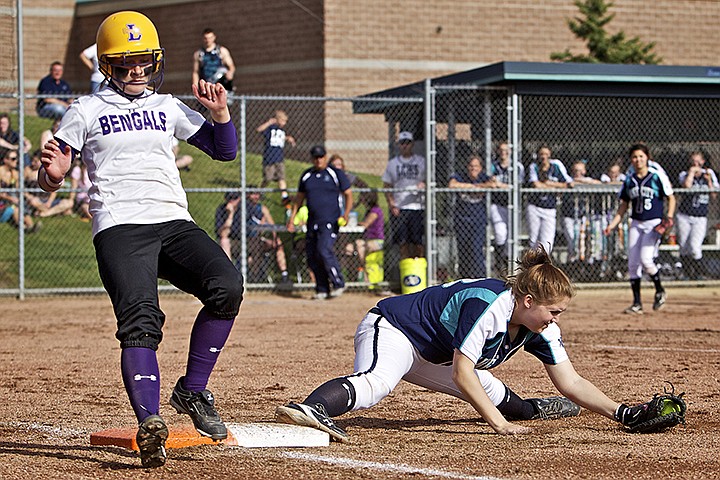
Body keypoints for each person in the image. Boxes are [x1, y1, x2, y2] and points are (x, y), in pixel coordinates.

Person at [39, 11, 242, 468]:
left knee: (226, 285)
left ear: (156, 62)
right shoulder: (85, 109)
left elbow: (224, 150)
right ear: (107, 66)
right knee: (141, 323)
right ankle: (150, 423)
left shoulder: (167, 106)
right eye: (125, 63)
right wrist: (50, 176)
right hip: (119, 225)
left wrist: (221, 113)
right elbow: (54, 173)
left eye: (144, 62)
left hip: (172, 220)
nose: (136, 71)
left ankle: (192, 390)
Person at [275, 246, 659, 442]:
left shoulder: (538, 325)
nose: (556, 319)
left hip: (434, 353)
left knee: (496, 391)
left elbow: (571, 381)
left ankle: (532, 408)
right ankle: (311, 408)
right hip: (394, 329)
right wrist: (499, 425)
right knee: (378, 382)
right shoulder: (490, 304)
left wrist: (622, 413)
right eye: (553, 311)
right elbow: (462, 372)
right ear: (528, 301)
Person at [604, 143, 675, 314]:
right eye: (635, 157)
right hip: (636, 223)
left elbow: (671, 198)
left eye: (641, 156)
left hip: (653, 223)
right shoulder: (629, 180)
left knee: (646, 259)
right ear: (631, 160)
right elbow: (624, 206)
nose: (638, 160)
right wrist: (612, 225)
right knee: (633, 263)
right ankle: (637, 303)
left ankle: (660, 290)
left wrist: (669, 217)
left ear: (647, 158)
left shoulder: (657, 176)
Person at [287, 145, 352, 299]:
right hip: (312, 222)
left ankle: (338, 283)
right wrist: (292, 219)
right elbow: (299, 199)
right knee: (312, 255)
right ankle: (322, 288)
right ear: (311, 158)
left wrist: (346, 214)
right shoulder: (307, 176)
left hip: (330, 220)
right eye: (315, 157)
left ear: (325, 157)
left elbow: (348, 194)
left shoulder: (335, 174)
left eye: (321, 157)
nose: (318, 160)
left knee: (324, 250)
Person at [215, 189, 290, 284]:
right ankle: (230, 276)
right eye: (230, 199)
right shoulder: (222, 210)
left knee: (257, 243)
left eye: (235, 198)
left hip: (248, 240)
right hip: (233, 242)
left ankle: (255, 278)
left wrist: (263, 224)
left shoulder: (246, 208)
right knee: (224, 241)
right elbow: (223, 234)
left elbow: (257, 224)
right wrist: (230, 214)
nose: (232, 201)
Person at [448, 155, 499, 278]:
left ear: (481, 168)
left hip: (478, 220)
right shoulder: (460, 176)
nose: (473, 168)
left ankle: (478, 278)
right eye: (471, 166)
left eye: (476, 166)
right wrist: (473, 187)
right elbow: (452, 184)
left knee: (476, 249)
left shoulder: (483, 177)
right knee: (463, 250)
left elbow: (492, 184)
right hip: (462, 219)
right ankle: (464, 278)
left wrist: (475, 186)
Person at [382, 131, 426, 259]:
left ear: (412, 144)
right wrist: (392, 203)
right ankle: (406, 271)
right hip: (400, 207)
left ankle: (418, 268)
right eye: (402, 143)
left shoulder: (421, 161)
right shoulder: (393, 164)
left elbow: (429, 180)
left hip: (417, 206)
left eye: (407, 143)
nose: (405, 146)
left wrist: (423, 185)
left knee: (418, 241)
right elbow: (387, 185)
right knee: (402, 242)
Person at [676, 151, 719, 280]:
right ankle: (686, 274)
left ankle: (698, 274)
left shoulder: (709, 174)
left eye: (698, 161)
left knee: (695, 247)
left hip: (700, 216)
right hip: (684, 215)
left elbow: (714, 195)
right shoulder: (684, 174)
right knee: (684, 246)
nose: (696, 164)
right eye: (693, 161)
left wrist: (709, 181)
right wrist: (691, 173)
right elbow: (687, 186)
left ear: (703, 162)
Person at [526, 145, 573, 252]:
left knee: (547, 243)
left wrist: (549, 184)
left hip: (550, 207)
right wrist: (555, 186)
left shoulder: (556, 165)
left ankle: (542, 265)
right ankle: (534, 266)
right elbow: (535, 184)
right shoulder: (534, 166)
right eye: (541, 154)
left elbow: (569, 183)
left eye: (546, 154)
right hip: (534, 206)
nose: (544, 157)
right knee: (534, 240)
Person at [490, 142, 523, 272]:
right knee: (500, 233)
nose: (503, 153)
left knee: (512, 235)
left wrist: (500, 185)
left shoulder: (517, 166)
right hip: (497, 204)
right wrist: (504, 185)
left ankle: (510, 263)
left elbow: (517, 184)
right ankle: (500, 262)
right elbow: (492, 182)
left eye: (506, 150)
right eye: (501, 150)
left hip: (513, 204)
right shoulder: (493, 166)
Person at [560, 161, 601, 264]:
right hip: (569, 215)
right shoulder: (568, 179)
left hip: (583, 216)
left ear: (584, 171)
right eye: (575, 171)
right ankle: (572, 263)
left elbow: (598, 183)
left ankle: (587, 263)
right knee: (572, 240)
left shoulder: (587, 180)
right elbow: (568, 183)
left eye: (580, 170)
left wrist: (580, 181)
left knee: (586, 240)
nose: (578, 173)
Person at [256, 110, 296, 203]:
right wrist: (269, 122)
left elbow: (280, 138)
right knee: (268, 178)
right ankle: (260, 191)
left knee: (281, 177)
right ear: (277, 120)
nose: (284, 123)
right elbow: (259, 130)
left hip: (279, 158)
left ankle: (284, 196)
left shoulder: (281, 131)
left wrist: (288, 138)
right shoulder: (271, 128)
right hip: (269, 157)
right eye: (283, 121)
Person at [24, 149, 73, 218]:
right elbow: (21, 187)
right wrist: (29, 196)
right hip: (36, 199)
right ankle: (54, 211)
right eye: (32, 161)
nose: (32, 163)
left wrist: (49, 202)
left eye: (35, 161)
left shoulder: (49, 171)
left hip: (47, 200)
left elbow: (54, 191)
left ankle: (45, 213)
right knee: (33, 201)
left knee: (69, 203)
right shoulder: (28, 171)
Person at [0, 150, 38, 232]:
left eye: (16, 158)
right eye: (13, 159)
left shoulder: (15, 173)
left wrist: (28, 196)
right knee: (16, 209)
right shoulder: (0, 172)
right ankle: (23, 229)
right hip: (2, 204)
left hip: (10, 201)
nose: (16, 161)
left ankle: (31, 226)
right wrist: (10, 198)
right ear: (5, 160)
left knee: (22, 205)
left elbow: (19, 189)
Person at [192, 28, 236, 92]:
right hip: (207, 86)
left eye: (210, 38)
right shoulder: (198, 54)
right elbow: (195, 72)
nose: (208, 40)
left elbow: (231, 66)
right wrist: (195, 87)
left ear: (214, 37)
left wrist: (230, 73)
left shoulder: (222, 51)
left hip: (220, 84)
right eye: (206, 38)